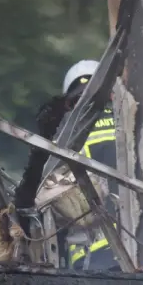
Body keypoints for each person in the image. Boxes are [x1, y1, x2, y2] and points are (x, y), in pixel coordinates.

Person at [59, 60, 122, 272]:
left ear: (70, 101)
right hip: (131, 244)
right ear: (111, 93)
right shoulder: (130, 122)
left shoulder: (62, 136)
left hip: (88, 254)